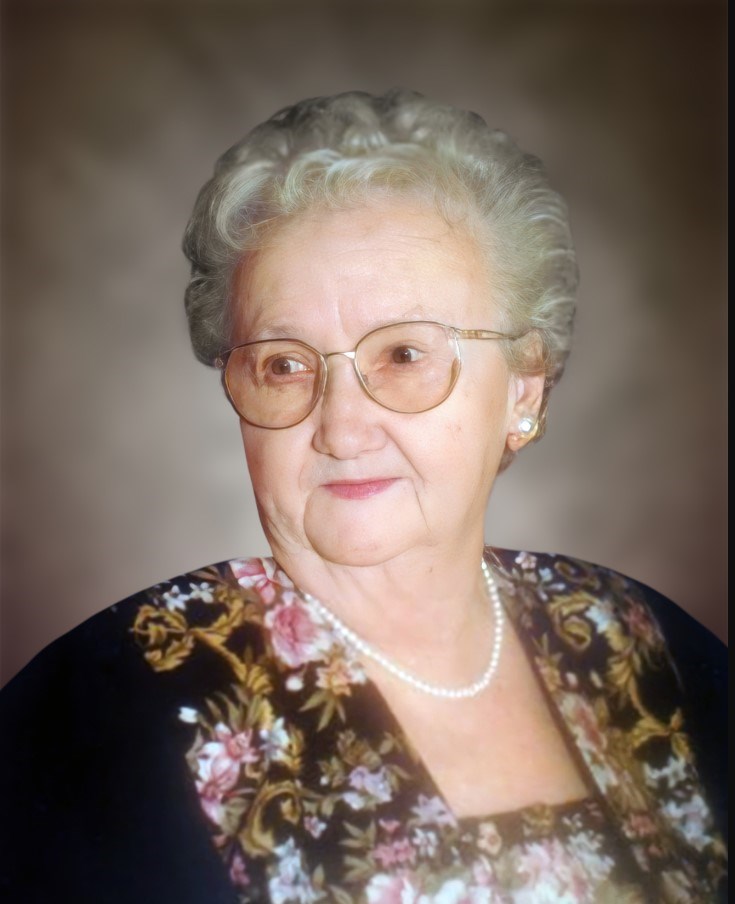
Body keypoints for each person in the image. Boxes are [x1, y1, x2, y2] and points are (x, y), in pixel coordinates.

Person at [0, 90, 726, 903]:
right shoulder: (102, 710)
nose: (341, 429)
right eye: (284, 364)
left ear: (522, 387)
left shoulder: (639, 642)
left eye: (404, 354)